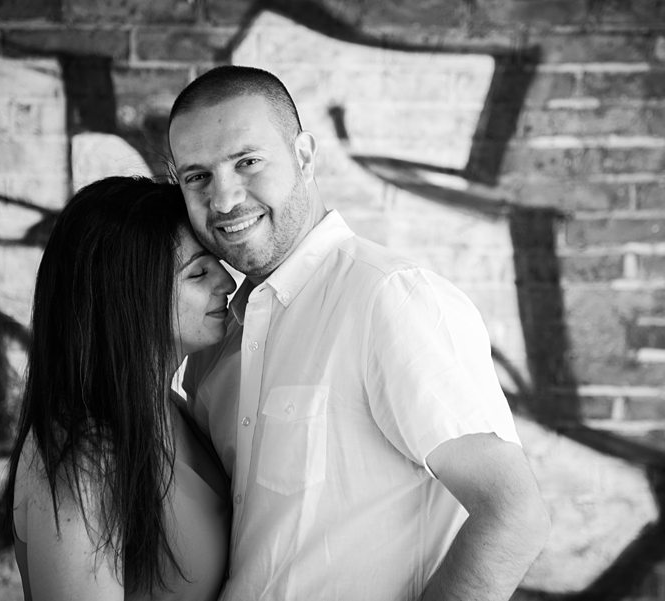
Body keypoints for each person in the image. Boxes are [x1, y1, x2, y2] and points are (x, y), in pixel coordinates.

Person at [167, 65, 550, 600]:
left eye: (248, 162)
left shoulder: (388, 300)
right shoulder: (220, 336)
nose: (225, 199)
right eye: (197, 176)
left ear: (303, 155)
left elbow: (514, 514)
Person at [0, 176, 236, 601]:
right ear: (129, 297)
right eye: (198, 272)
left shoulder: (176, 407)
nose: (228, 284)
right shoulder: (81, 450)